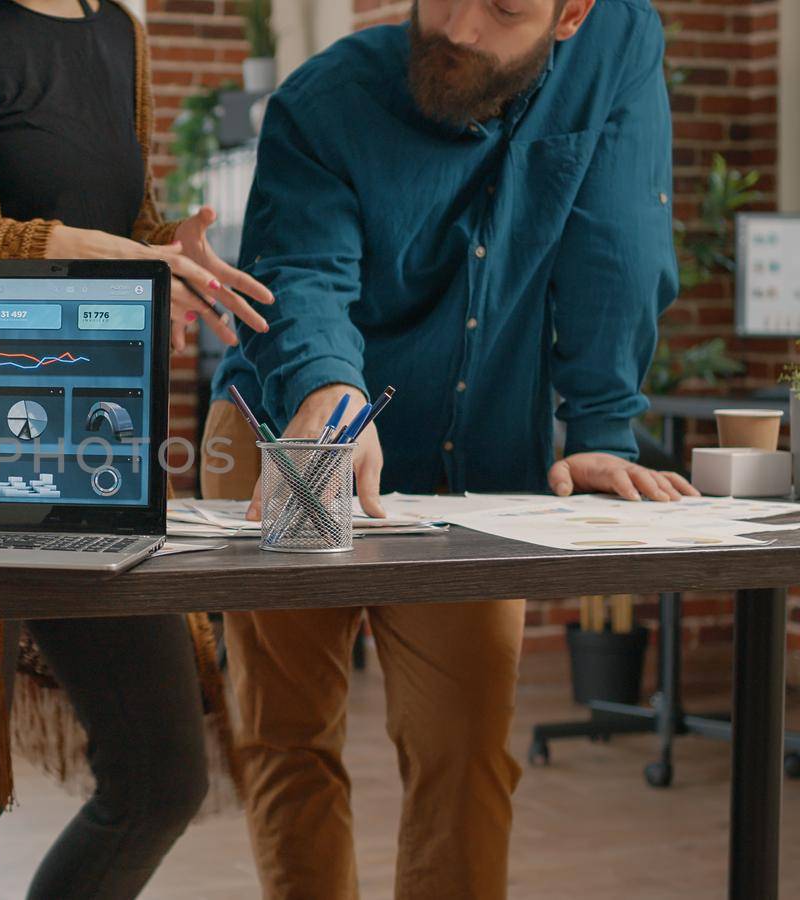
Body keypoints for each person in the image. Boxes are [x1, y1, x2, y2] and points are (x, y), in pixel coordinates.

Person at [202, 0, 697, 897]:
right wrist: (326, 386)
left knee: (465, 749)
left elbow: (616, 239)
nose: (461, 30)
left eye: (505, 7)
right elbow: (303, 271)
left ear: (572, 13)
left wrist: (600, 429)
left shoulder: (619, 44)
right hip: (296, 432)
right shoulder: (323, 101)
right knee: (289, 738)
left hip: (475, 456)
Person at [0, 1, 272, 897]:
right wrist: (47, 251)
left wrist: (161, 253)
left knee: (161, 777)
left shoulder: (121, 31)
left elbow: (110, 226)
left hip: (85, 452)